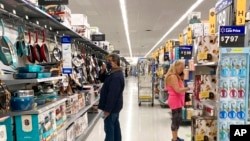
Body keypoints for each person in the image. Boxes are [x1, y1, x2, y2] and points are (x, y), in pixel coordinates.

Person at [98, 53, 125, 141]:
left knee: (109, 129)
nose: (107, 63)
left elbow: (112, 95)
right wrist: (102, 70)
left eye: (109, 61)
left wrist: (107, 110)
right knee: (115, 126)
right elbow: (102, 79)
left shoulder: (116, 76)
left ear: (115, 62)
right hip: (115, 107)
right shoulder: (112, 73)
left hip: (111, 108)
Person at [165, 60, 191, 141]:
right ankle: (174, 139)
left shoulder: (176, 76)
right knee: (175, 121)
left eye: (183, 68)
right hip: (175, 101)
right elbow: (178, 90)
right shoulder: (173, 76)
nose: (182, 69)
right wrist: (189, 88)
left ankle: (176, 137)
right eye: (181, 68)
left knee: (178, 120)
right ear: (175, 67)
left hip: (177, 101)